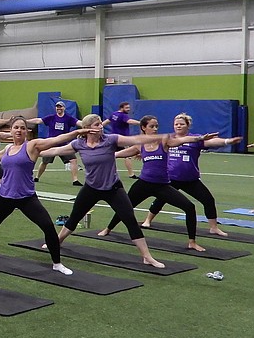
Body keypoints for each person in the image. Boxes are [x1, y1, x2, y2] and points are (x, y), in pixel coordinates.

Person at [39, 114, 170, 268]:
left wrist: (161, 137)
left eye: (101, 124)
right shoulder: (78, 144)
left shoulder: (110, 139)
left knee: (130, 221)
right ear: (87, 128)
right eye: (97, 124)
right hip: (91, 188)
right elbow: (56, 150)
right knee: (74, 218)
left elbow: (134, 140)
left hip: (113, 188)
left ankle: (147, 257)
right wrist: (34, 151)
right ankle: (57, 242)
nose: (101, 126)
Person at [0, 117, 97, 274]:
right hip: (5, 196)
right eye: (16, 127)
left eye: (22, 128)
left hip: (26, 198)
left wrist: (77, 131)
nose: (19, 130)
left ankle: (57, 263)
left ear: (27, 132)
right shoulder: (8, 148)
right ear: (10, 130)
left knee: (48, 227)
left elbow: (56, 139)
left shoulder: (31, 146)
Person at [97, 115, 218, 251]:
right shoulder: (140, 144)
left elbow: (182, 140)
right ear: (144, 128)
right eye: (151, 126)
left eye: (156, 126)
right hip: (143, 184)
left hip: (162, 186)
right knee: (126, 207)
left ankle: (192, 242)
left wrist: (200, 138)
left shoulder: (164, 140)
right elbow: (119, 154)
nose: (155, 129)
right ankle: (108, 228)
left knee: (189, 207)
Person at [142, 113, 243, 237]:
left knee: (208, 200)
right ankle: (148, 220)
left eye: (181, 124)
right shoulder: (168, 138)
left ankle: (213, 227)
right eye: (176, 124)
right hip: (170, 178)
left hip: (190, 179)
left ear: (188, 125)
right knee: (161, 199)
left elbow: (211, 142)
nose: (178, 126)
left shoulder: (195, 139)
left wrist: (228, 141)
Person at [26, 101, 83, 186]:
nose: (58, 108)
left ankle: (75, 180)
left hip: (63, 145)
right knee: (45, 162)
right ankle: (37, 177)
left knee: (73, 160)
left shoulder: (68, 118)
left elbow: (78, 123)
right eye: (57, 107)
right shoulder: (51, 117)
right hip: (51, 144)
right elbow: (39, 120)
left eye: (60, 107)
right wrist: (25, 121)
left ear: (64, 108)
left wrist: (88, 125)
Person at [103, 102, 140, 179]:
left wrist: (99, 126)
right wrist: (141, 123)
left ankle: (106, 171)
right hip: (122, 139)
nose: (128, 109)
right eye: (126, 108)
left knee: (110, 155)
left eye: (129, 108)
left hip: (113, 138)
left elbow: (106, 122)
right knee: (128, 156)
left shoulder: (114, 114)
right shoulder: (123, 115)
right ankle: (131, 174)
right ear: (121, 108)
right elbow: (130, 121)